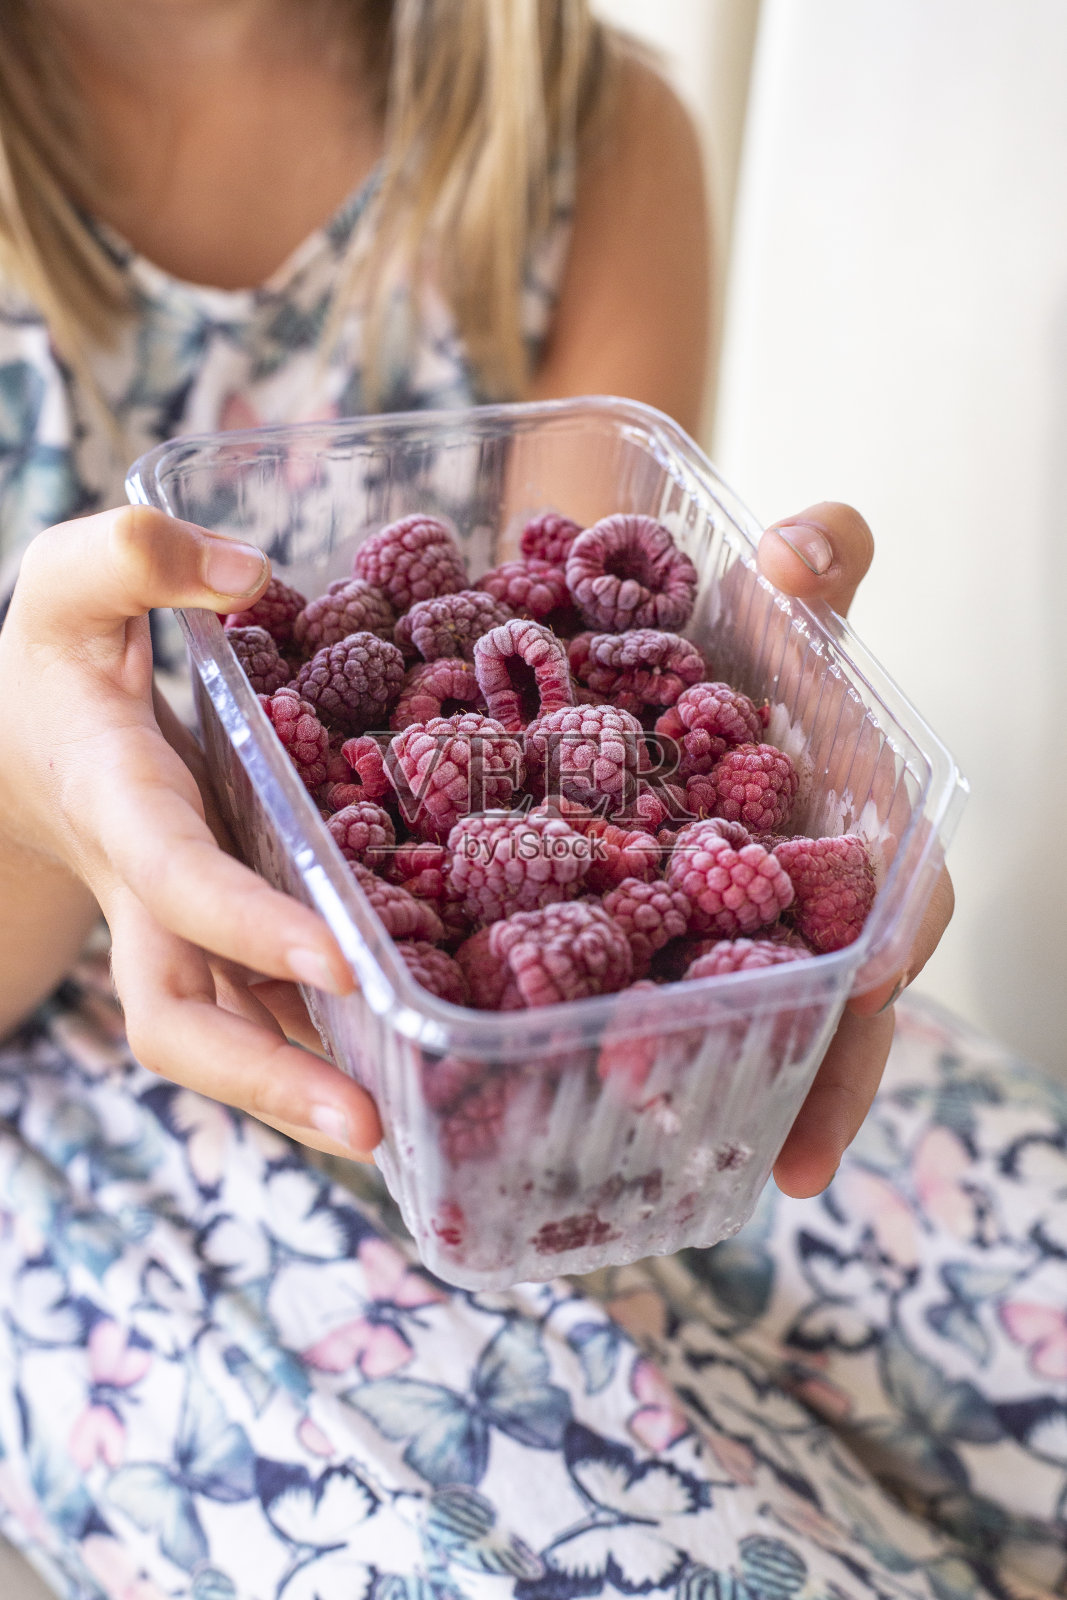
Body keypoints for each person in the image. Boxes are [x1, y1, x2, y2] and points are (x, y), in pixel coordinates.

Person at [0, 3, 1061, 1597]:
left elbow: (572, 659)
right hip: (110, 1070)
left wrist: (760, 750)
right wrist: (43, 806)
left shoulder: (581, 122)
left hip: (639, 1067)